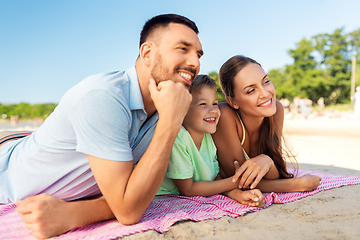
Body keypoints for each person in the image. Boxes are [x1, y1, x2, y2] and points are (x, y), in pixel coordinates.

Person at [0, 14, 203, 239]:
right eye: (183, 49)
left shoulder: (167, 105)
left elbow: (129, 202)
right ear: (147, 53)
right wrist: (169, 123)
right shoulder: (103, 96)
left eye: (198, 54)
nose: (195, 63)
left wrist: (75, 212)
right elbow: (128, 209)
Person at [212, 55, 321, 193]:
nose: (265, 93)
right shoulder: (225, 115)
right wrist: (296, 184)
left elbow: (276, 172)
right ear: (233, 102)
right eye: (251, 90)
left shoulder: (276, 110)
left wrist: (267, 161)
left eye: (265, 82)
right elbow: (238, 180)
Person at [157, 75, 264, 208]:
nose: (213, 110)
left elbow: (215, 178)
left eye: (215, 103)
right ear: (182, 110)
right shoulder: (178, 138)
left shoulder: (208, 137)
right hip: (162, 195)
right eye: (203, 104)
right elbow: (188, 189)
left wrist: (237, 194)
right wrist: (236, 181)